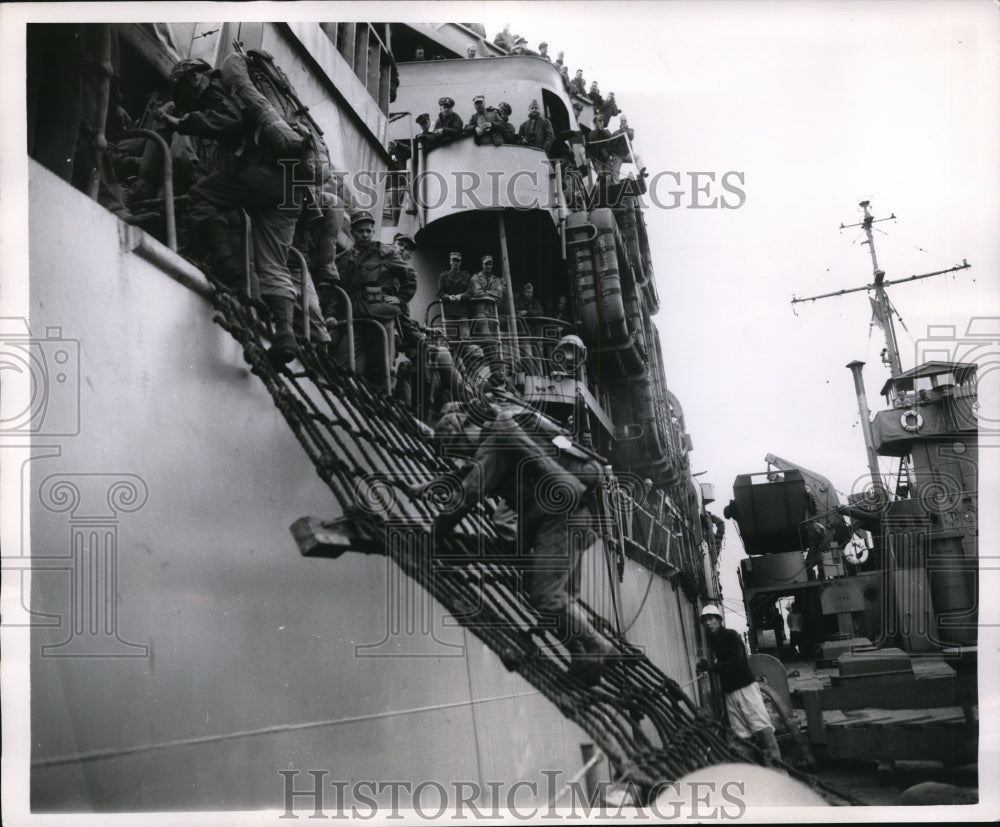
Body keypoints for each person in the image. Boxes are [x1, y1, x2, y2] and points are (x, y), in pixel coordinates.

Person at [427, 400, 616, 685]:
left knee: (546, 595)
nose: (462, 455)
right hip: (587, 510)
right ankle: (583, 658)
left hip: (564, 516)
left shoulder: (494, 442)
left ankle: (599, 647)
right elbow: (472, 472)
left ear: (461, 434)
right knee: (559, 595)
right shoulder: (510, 427)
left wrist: (436, 533)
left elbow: (471, 491)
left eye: (457, 448)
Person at [158, 55, 310, 366]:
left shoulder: (215, 88)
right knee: (274, 266)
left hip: (264, 174)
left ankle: (230, 269)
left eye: (185, 86)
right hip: (293, 182)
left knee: (202, 194)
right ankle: (284, 334)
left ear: (198, 76)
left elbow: (231, 120)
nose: (187, 94)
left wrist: (183, 122)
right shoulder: (256, 94)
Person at [337, 210, 415, 392]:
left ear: (373, 232)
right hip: (354, 317)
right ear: (352, 233)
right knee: (346, 364)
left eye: (368, 231)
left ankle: (385, 403)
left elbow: (410, 276)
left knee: (383, 370)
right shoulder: (343, 260)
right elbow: (337, 289)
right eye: (360, 231)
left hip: (380, 316)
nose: (365, 235)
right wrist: (333, 314)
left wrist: (400, 298)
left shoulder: (384, 253)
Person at [697, 605, 782, 764]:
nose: (708, 623)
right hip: (730, 692)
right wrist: (709, 666)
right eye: (705, 620)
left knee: (762, 727)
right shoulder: (714, 640)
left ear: (719, 620)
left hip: (745, 688)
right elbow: (723, 662)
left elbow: (737, 661)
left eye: (711, 619)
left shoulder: (730, 635)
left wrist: (713, 667)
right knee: (740, 733)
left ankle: (778, 770)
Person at [437, 252, 474, 339]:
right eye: (453, 260)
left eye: (457, 261)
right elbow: (440, 293)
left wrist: (461, 296)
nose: (455, 263)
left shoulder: (466, 276)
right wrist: (449, 297)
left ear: (460, 262)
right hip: (449, 313)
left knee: (466, 339)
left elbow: (471, 292)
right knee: (451, 340)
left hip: (463, 314)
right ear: (450, 262)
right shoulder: (443, 276)